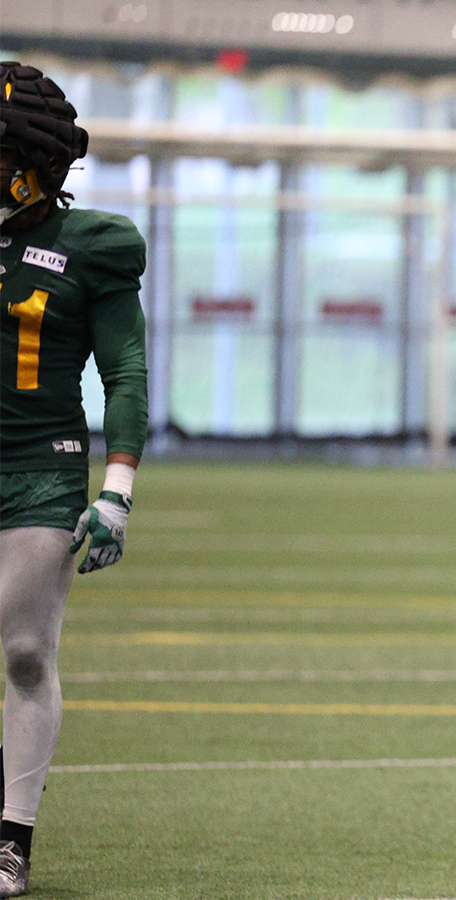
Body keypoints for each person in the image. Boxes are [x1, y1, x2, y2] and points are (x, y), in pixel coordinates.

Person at [0, 62, 149, 898]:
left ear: (31, 160)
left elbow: (124, 370)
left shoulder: (93, 245)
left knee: (25, 652)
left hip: (38, 469)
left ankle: (12, 837)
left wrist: (117, 488)